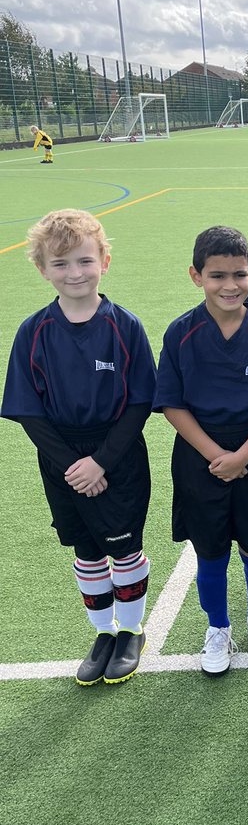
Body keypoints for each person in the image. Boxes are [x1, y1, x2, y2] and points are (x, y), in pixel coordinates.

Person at [1, 210, 156, 685]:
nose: (75, 273)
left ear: (104, 262)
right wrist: (75, 465)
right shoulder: (34, 332)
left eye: (84, 261)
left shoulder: (123, 327)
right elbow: (28, 410)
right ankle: (103, 632)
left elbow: (140, 402)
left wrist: (101, 462)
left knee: (124, 549)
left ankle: (130, 632)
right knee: (87, 551)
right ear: (43, 269)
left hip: (117, 456)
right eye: (61, 264)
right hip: (62, 461)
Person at [154, 226, 248, 677]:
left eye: (239, 274)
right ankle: (217, 627)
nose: (229, 285)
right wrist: (218, 454)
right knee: (210, 551)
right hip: (199, 456)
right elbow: (171, 405)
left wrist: (246, 455)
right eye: (217, 276)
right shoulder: (180, 334)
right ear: (196, 276)